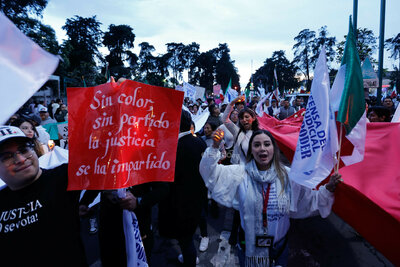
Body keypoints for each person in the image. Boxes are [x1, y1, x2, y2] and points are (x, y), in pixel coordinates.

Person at [200, 129, 342, 266]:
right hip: (248, 246)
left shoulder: (288, 177)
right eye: (257, 145)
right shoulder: (239, 174)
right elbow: (211, 174)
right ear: (251, 150)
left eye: (267, 144)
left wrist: (328, 189)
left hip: (278, 248)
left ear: (274, 149)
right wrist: (214, 147)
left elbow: (309, 200)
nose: (262, 148)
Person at [0, 125, 87, 266]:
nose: (21, 159)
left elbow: (104, 159)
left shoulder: (64, 177)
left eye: (23, 150)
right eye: (7, 157)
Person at [158, 110, 207, 266]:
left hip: (178, 200)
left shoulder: (173, 146)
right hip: (196, 197)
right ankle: (189, 258)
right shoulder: (199, 141)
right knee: (187, 236)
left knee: (185, 239)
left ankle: (190, 261)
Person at [222, 95, 260, 165]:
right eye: (242, 118)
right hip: (237, 168)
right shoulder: (237, 132)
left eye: (247, 117)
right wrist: (232, 102)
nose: (244, 120)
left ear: (253, 118)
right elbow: (224, 119)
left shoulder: (259, 134)